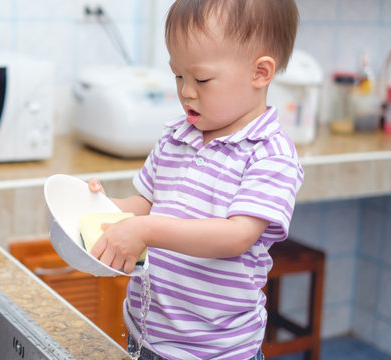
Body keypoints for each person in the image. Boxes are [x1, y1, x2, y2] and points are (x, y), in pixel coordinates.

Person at [87, 1, 303, 359]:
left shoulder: (270, 154)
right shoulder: (175, 137)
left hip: (217, 351)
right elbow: (143, 205)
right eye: (178, 75)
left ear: (260, 73)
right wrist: (98, 207)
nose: (186, 90)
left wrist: (147, 231)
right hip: (145, 337)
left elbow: (236, 236)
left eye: (201, 78)